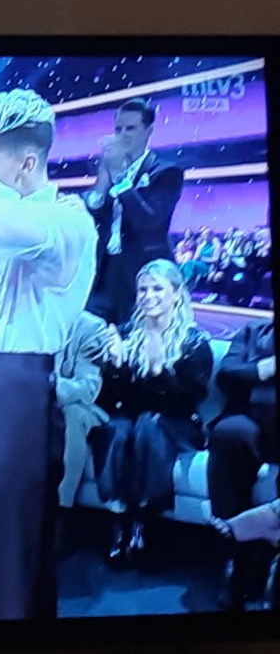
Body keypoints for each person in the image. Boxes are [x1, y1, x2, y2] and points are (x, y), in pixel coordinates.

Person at [0, 88, 97, 621]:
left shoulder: (67, 221)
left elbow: (5, 227)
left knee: (10, 549)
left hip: (17, 391)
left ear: (27, 163)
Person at [91, 259, 213, 564]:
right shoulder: (126, 334)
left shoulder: (195, 342)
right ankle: (118, 518)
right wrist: (115, 366)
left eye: (157, 289)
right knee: (115, 429)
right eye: (143, 289)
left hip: (177, 422)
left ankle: (141, 522)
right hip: (132, 419)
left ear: (176, 294)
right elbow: (110, 400)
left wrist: (160, 369)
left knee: (148, 424)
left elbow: (190, 399)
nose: (148, 296)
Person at [85, 98, 183, 325]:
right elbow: (94, 214)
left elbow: (148, 220)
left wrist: (119, 178)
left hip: (142, 275)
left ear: (148, 130)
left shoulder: (167, 171)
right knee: (93, 332)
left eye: (130, 128)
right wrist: (103, 177)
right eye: (118, 129)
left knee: (136, 336)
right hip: (105, 272)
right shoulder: (111, 167)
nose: (122, 135)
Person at [207, 318, 276, 609]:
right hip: (250, 418)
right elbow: (227, 374)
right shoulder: (253, 332)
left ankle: (268, 561)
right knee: (228, 433)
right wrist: (264, 369)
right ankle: (236, 555)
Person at [54, 310, 110, 508]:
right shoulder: (28, 322)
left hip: (85, 408)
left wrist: (45, 385)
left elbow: (88, 388)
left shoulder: (90, 327)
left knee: (73, 413)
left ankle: (62, 506)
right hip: (31, 403)